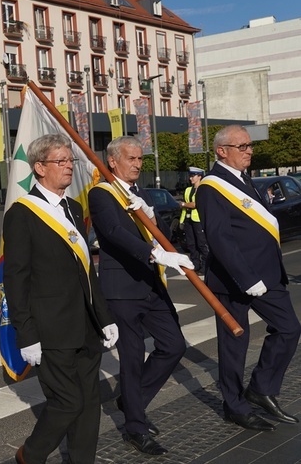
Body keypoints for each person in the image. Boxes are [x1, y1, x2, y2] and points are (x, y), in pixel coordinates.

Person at [3, 134, 116, 464]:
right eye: (61, 161)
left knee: (89, 401)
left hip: (85, 325)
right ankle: (31, 455)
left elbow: (86, 271)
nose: (69, 167)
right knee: (68, 402)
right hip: (50, 330)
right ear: (39, 167)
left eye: (71, 161)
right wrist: (27, 334)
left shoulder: (73, 207)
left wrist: (105, 317)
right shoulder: (21, 214)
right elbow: (16, 279)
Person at [88, 136, 192, 456]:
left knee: (174, 345)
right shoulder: (101, 194)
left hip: (151, 285)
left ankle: (131, 401)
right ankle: (135, 426)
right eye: (131, 159)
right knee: (131, 359)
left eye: (140, 159)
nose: (137, 164)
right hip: (122, 290)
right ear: (114, 162)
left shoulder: (140, 192)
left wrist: (149, 213)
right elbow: (114, 234)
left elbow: (159, 229)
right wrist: (153, 255)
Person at [197, 125, 301, 431]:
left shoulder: (245, 180)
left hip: (267, 275)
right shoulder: (211, 187)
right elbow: (220, 238)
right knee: (234, 346)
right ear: (221, 151)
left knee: (289, 329)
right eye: (241, 146)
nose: (249, 151)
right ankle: (235, 405)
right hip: (235, 279)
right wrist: (246, 277)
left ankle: (260, 388)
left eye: (249, 145)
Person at [179, 167, 209, 273]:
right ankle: (196, 264)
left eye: (193, 176)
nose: (190, 178)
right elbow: (184, 208)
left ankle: (206, 266)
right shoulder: (188, 190)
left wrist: (184, 204)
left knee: (202, 244)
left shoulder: (203, 189)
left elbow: (195, 204)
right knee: (191, 244)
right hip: (188, 220)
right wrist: (181, 221)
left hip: (198, 220)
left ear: (199, 176)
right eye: (190, 176)